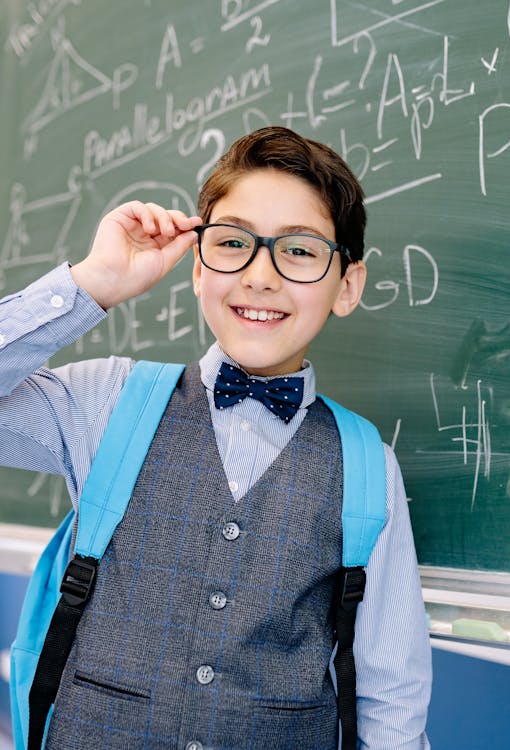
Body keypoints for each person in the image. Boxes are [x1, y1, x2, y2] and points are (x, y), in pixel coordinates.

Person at [0, 126, 431, 749]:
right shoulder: (109, 402)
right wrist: (93, 283)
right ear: (198, 268)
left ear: (348, 286)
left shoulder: (367, 465)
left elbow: (390, 695)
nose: (260, 276)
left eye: (301, 251)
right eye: (232, 243)